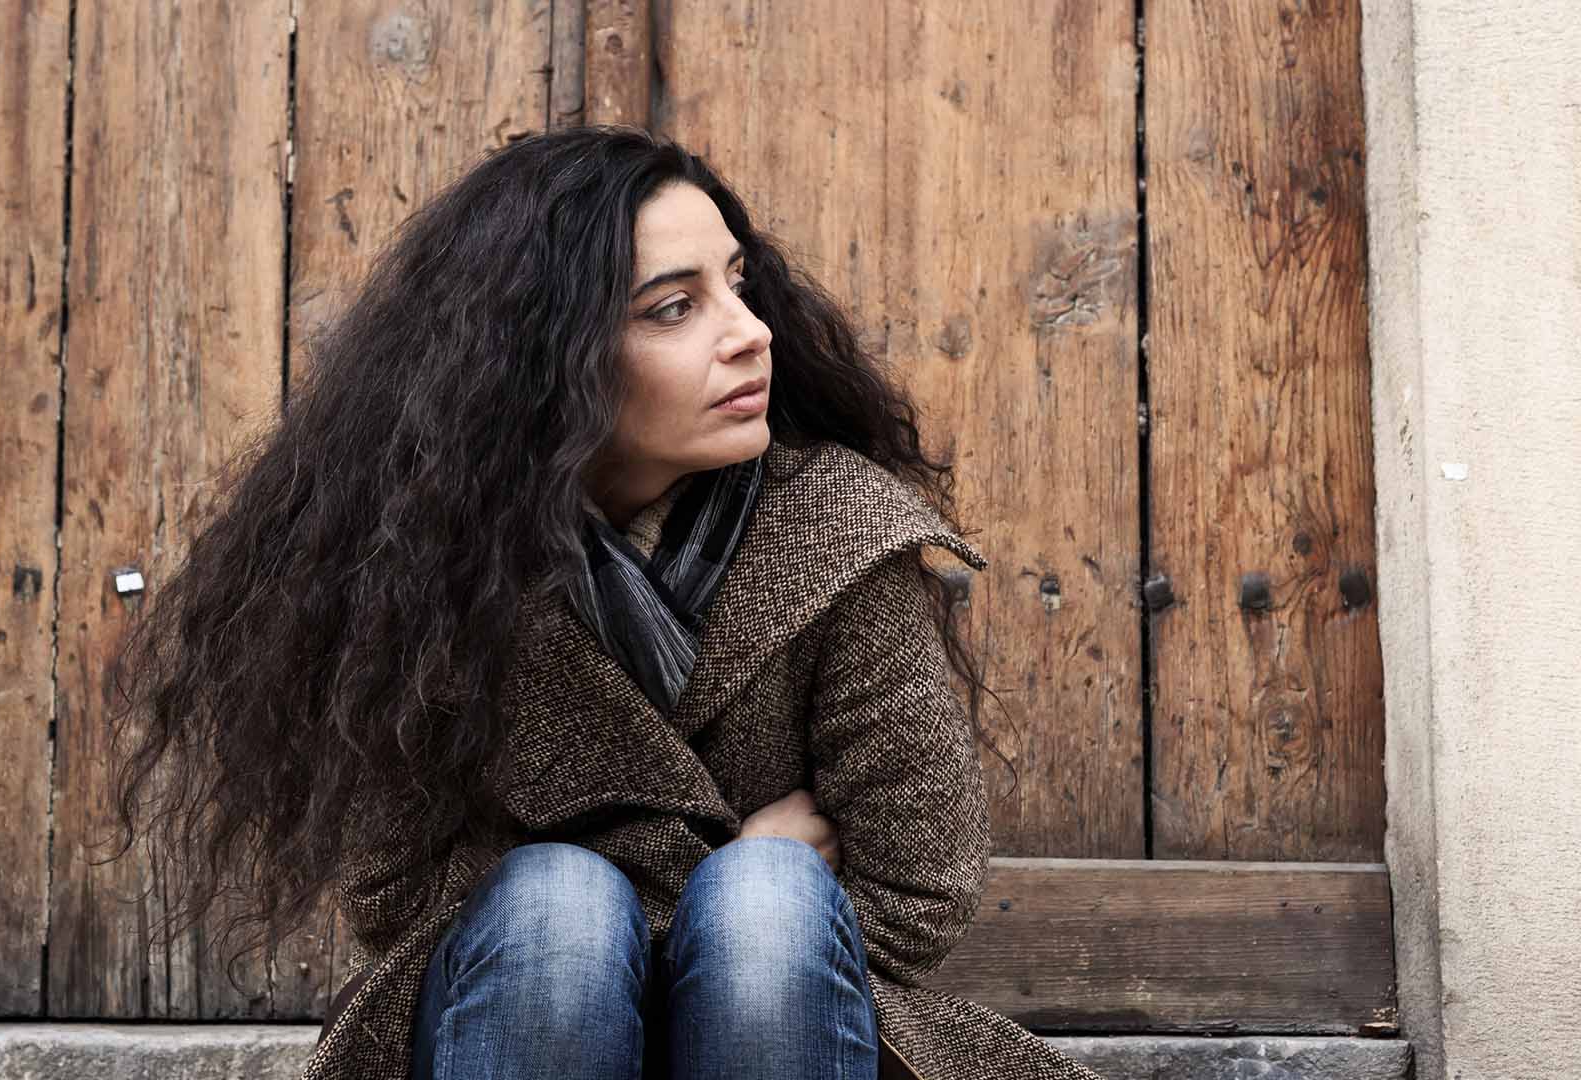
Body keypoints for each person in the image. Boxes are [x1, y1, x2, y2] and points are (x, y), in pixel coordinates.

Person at [105, 125, 1102, 1080]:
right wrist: (690, 893)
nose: (751, 335)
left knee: (764, 907)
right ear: (548, 361)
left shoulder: (840, 536)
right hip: (531, 1018)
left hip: (776, 1025)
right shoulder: (429, 574)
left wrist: (731, 927)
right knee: (559, 911)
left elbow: (921, 885)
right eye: (675, 308)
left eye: (739, 287)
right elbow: (392, 893)